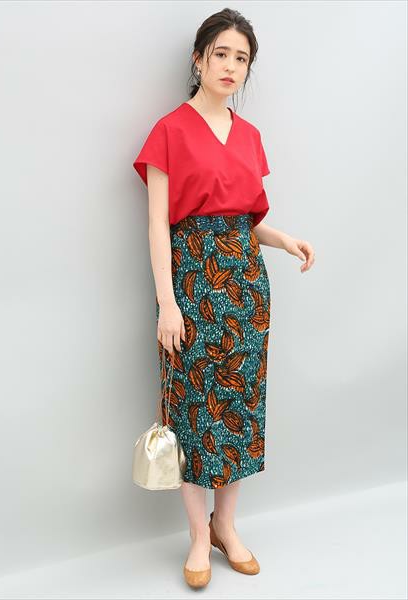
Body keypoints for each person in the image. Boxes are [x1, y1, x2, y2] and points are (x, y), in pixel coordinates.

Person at [132, 8, 315, 589]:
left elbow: (244, 219)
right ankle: (195, 534)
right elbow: (158, 224)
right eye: (221, 54)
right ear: (199, 59)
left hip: (244, 286)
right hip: (190, 283)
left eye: (242, 58)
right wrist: (167, 303)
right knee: (192, 411)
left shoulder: (250, 136)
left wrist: (282, 239)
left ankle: (225, 526)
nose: (231, 66)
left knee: (237, 408)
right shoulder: (169, 130)